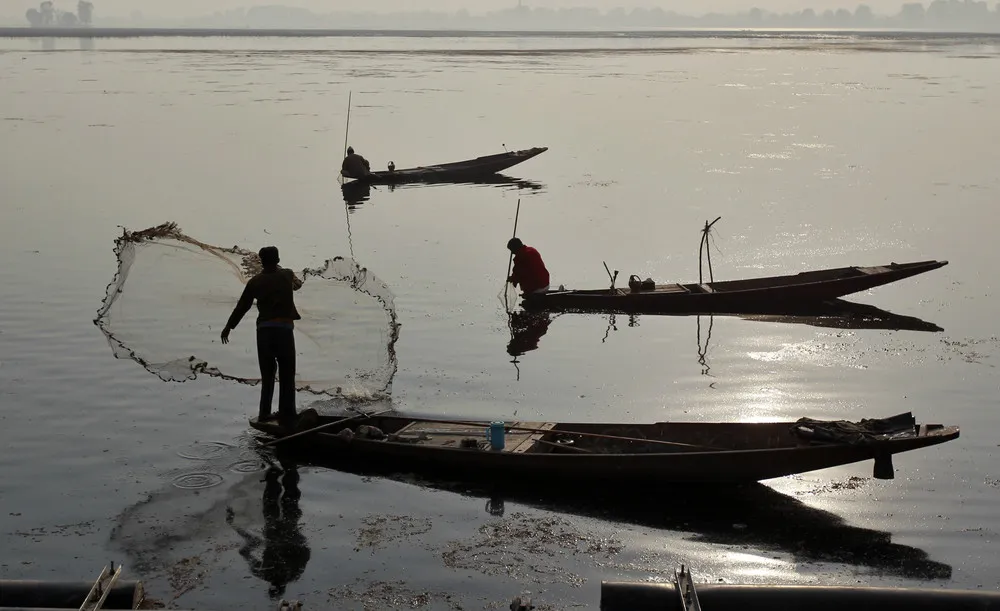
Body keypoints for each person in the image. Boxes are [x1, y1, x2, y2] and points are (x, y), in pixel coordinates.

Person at [221, 246, 303, 427]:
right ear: (278, 259)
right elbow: (298, 285)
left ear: (261, 261)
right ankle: (287, 413)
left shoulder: (255, 282)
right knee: (287, 373)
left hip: (264, 332)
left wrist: (229, 326)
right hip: (284, 331)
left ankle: (264, 414)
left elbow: (242, 306)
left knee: (267, 374)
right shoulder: (287, 274)